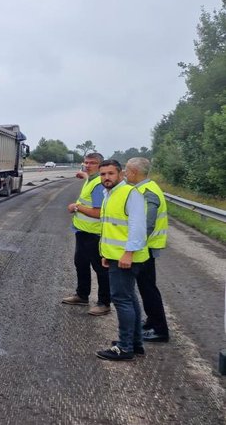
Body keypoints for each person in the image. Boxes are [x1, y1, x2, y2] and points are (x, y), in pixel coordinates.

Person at [95, 159, 149, 361]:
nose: (106, 177)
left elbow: (137, 227)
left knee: (122, 300)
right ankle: (135, 344)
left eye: (110, 173)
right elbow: (112, 228)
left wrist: (128, 253)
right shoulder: (109, 193)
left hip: (126, 257)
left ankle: (125, 347)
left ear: (121, 174)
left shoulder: (129, 193)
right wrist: (106, 255)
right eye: (103, 174)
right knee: (130, 298)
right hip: (115, 256)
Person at [125, 157, 170, 342]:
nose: (125, 174)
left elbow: (147, 224)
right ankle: (152, 322)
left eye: (126, 170)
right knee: (146, 288)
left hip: (147, 248)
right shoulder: (143, 188)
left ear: (134, 172)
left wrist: (133, 247)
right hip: (147, 247)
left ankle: (160, 330)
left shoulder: (147, 192)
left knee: (148, 288)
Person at [62, 152, 111, 316]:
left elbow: (98, 212)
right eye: (86, 162)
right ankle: (82, 295)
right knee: (80, 264)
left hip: (94, 234)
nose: (88, 165)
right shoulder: (91, 179)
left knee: (100, 269)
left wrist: (76, 207)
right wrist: (83, 175)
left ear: (100, 165)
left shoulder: (98, 184)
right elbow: (87, 177)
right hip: (82, 232)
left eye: (92, 163)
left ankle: (104, 303)